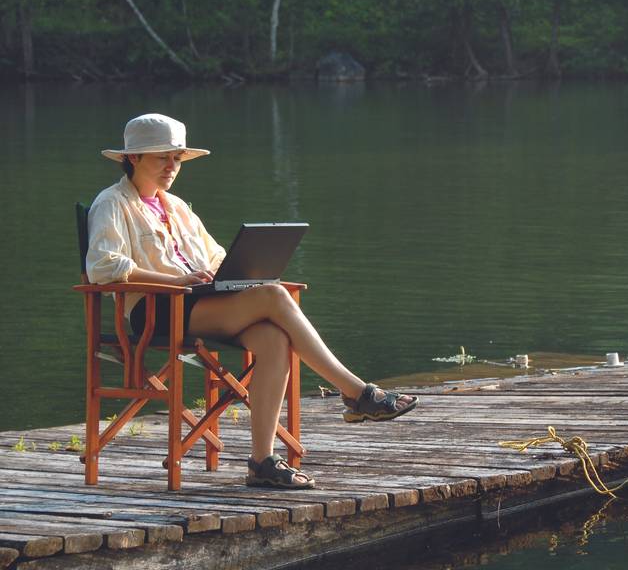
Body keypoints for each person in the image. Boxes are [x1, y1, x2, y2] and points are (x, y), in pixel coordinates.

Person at [86, 113, 418, 489]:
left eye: (177, 158)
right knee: (275, 296)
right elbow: (103, 267)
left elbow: (215, 259)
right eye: (163, 157)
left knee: (274, 341)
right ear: (134, 158)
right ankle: (356, 392)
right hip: (157, 310)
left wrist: (237, 274)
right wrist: (176, 279)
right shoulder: (111, 203)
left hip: (202, 303)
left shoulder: (177, 207)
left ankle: (261, 462)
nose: (172, 167)